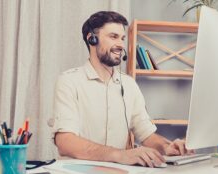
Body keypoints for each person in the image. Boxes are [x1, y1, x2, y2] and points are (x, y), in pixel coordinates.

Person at [52, 11, 193, 168]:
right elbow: (65, 141)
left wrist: (166, 146)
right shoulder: (69, 81)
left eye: (122, 38)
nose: (120, 44)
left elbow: (146, 134)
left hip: (117, 171)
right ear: (92, 39)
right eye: (113, 37)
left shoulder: (129, 84)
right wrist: (119, 154)